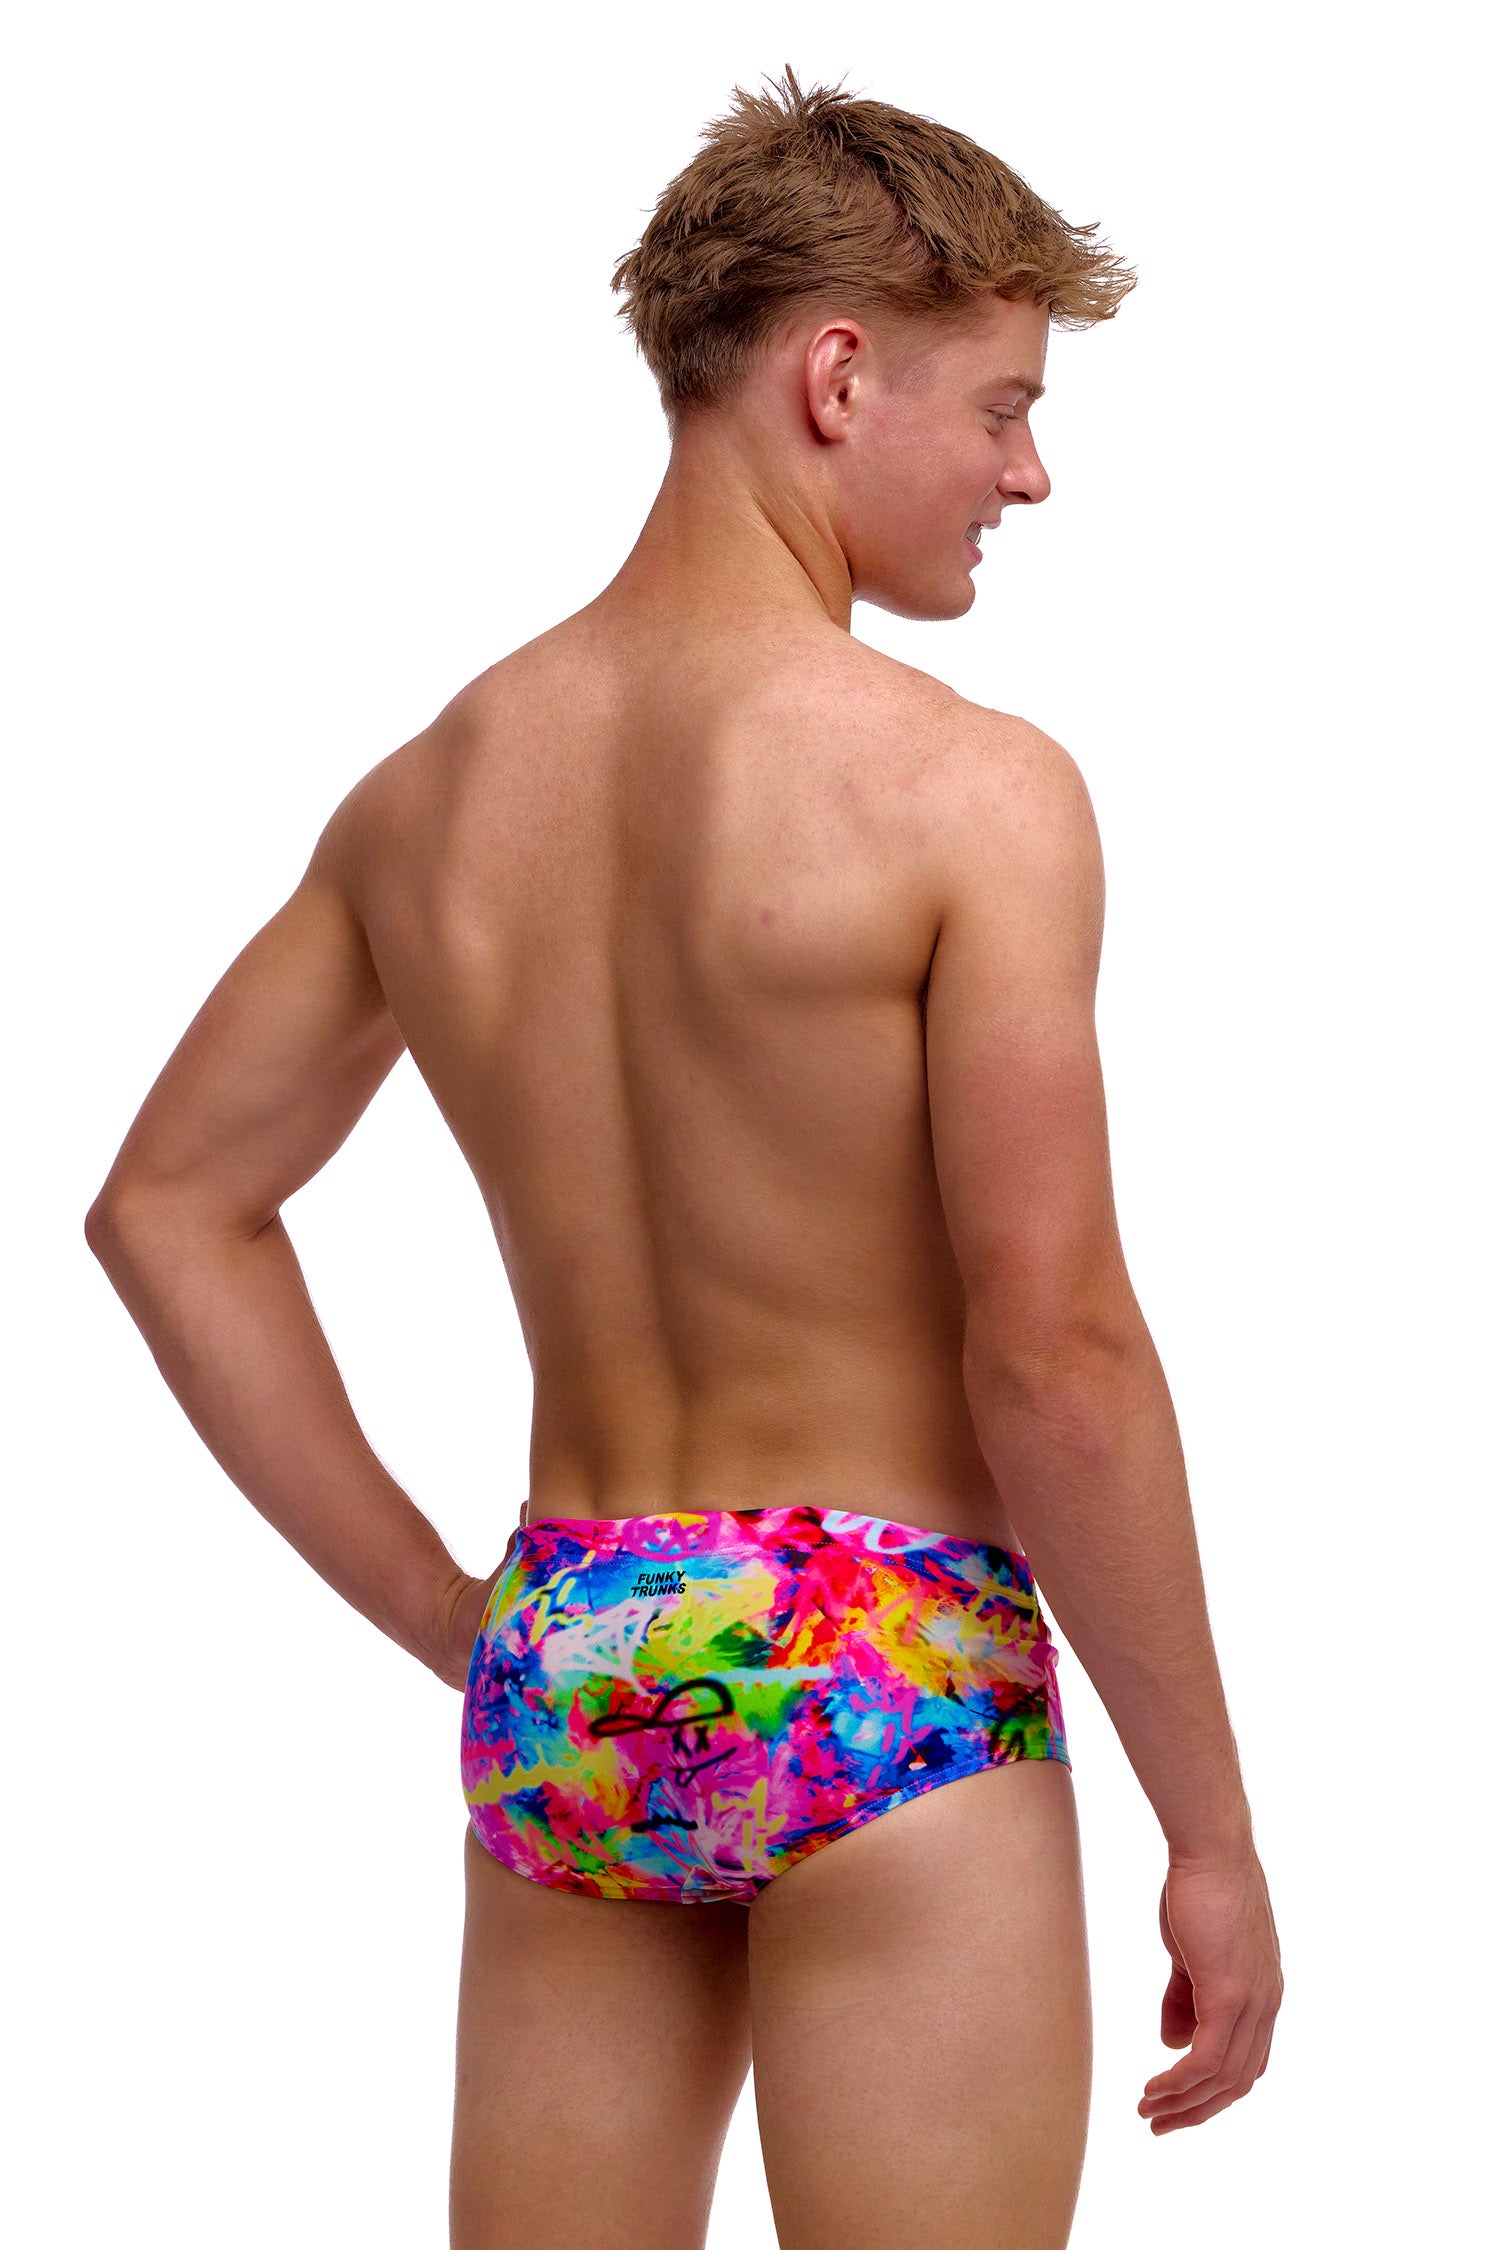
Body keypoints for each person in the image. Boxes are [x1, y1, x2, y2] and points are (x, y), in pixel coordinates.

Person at [85, 65, 1282, 2250]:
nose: (1029, 472)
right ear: (834, 377)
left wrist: (453, 1618)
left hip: (573, 1660)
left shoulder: (433, 795)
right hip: (882, 1670)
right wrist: (1209, 1831)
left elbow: (169, 1208)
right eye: (1002, 406)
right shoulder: (966, 791)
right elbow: (1056, 1353)